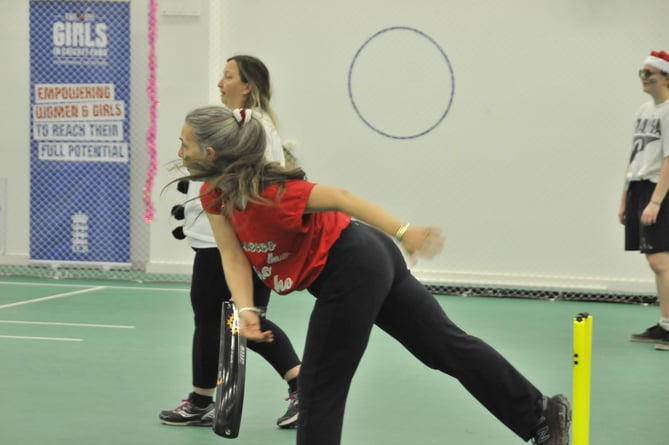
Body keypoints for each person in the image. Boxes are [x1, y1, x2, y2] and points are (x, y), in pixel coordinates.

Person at [176, 104, 572, 445]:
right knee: (443, 346)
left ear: (210, 152)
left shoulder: (275, 192)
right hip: (365, 258)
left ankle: (538, 417)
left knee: (319, 384)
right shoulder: (216, 195)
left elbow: (341, 198)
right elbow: (232, 254)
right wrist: (246, 308)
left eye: (185, 143)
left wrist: (405, 232)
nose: (179, 151)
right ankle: (540, 415)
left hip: (351, 265)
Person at [160, 55, 302, 429]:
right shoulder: (243, 126)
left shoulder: (251, 126)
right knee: (215, 321)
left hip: (230, 245)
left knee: (238, 322)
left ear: (248, 86)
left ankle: (303, 386)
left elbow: (256, 185)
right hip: (217, 241)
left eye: (228, 77)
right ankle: (201, 399)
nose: (220, 84)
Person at [619, 50, 669, 352]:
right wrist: (625, 196)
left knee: (660, 260)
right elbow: (635, 154)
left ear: (666, 77)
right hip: (639, 187)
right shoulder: (644, 110)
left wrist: (656, 201)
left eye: (651, 72)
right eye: (642, 72)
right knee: (657, 263)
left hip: (659, 189)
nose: (645, 77)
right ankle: (664, 324)